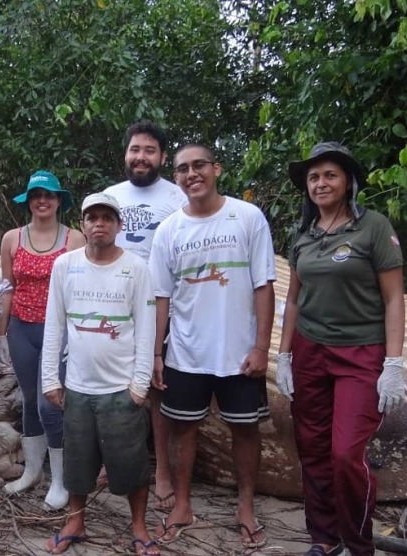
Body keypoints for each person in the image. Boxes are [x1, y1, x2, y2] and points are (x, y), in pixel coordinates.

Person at [276, 142, 406, 556]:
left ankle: (357, 542)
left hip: (360, 353)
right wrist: (284, 355)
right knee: (312, 450)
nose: (320, 183)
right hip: (310, 351)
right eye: (314, 177)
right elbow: (294, 298)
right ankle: (324, 538)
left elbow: (394, 299)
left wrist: (394, 363)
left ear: (348, 180)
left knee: (346, 453)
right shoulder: (303, 233)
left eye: (330, 175)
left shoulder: (373, 228)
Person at [148, 144, 276, 548]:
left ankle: (245, 506)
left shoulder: (247, 217)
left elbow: (263, 284)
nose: (191, 174)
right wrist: (155, 353)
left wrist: (261, 347)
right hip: (187, 351)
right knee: (183, 429)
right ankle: (182, 504)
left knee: (245, 430)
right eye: (182, 169)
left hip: (239, 352)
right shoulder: (169, 230)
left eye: (198, 165)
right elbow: (161, 297)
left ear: (216, 168)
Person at [40, 193, 159, 556]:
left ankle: (138, 527)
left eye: (107, 218)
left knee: (132, 465)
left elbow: (146, 327)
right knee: (77, 463)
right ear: (82, 224)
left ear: (119, 226)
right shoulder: (65, 265)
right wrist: (50, 378)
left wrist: (139, 385)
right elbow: (54, 324)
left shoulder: (137, 267)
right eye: (92, 217)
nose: (99, 224)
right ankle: (76, 520)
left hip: (120, 389)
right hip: (77, 387)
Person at [103, 121, 186, 510]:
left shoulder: (178, 195)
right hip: (114, 301)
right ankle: (112, 458)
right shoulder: (109, 196)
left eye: (150, 150)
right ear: (125, 153)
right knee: (115, 380)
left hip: (163, 301)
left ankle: (163, 470)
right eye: (135, 149)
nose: (141, 157)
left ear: (162, 157)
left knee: (156, 386)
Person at [0, 170, 85, 510]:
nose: (43, 200)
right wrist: (2, 334)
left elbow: (82, 289)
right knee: (30, 400)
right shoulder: (11, 239)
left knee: (53, 402)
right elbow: (8, 289)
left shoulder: (74, 239)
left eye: (49, 195)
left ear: (59, 200)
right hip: (22, 328)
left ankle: (60, 478)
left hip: (59, 331)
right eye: (36, 195)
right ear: (28, 201)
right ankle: (33, 471)